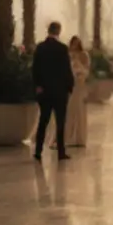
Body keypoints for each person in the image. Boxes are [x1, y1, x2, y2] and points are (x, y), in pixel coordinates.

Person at [32, 21, 75, 162]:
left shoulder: (40, 48)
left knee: (43, 121)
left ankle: (38, 151)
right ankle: (61, 152)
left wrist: (38, 85)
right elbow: (67, 70)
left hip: (44, 91)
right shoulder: (62, 49)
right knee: (60, 122)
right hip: (60, 92)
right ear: (58, 31)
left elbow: (35, 68)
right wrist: (70, 87)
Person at [52, 36, 91, 150]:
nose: (75, 45)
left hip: (79, 85)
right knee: (69, 110)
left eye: (77, 43)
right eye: (73, 43)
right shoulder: (67, 54)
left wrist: (80, 71)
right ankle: (67, 136)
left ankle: (78, 137)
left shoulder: (84, 55)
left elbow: (87, 69)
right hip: (69, 85)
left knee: (78, 110)